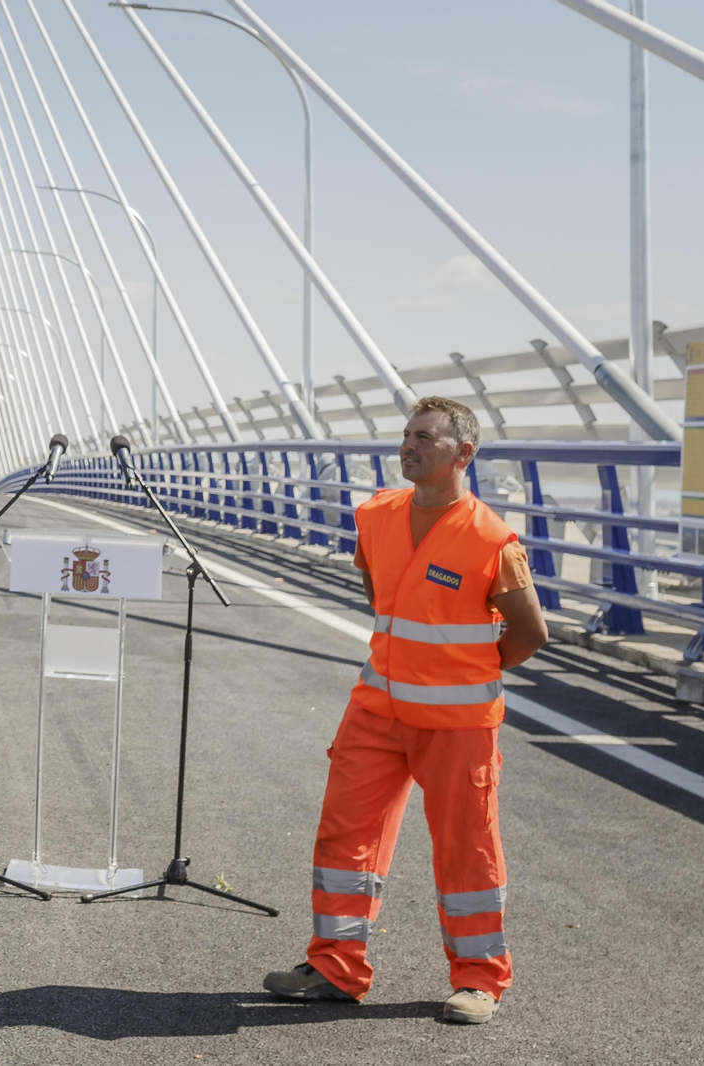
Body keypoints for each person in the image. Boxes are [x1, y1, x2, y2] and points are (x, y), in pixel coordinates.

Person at [264, 396, 548, 1024]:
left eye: (425, 437)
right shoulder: (375, 516)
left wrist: (465, 672)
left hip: (457, 723)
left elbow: (531, 633)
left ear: (463, 454)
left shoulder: (492, 539)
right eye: (406, 434)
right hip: (376, 710)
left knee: (467, 849)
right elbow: (382, 599)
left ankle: (479, 981)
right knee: (346, 838)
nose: (408, 446)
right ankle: (335, 968)